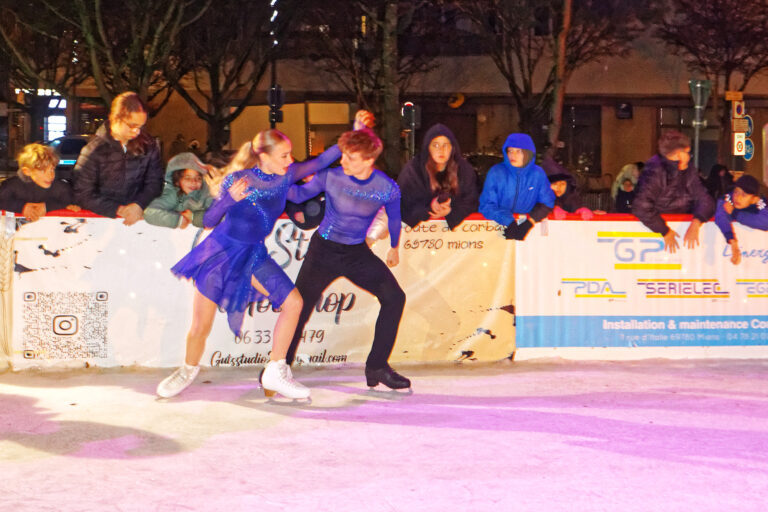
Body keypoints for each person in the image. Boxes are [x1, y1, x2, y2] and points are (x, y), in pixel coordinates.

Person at [156, 112, 372, 400]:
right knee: (200, 326)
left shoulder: (285, 178)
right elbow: (209, 220)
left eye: (290, 155)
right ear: (264, 157)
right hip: (221, 253)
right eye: (284, 155)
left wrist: (353, 133)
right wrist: (229, 200)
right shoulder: (239, 179)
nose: (290, 160)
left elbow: (320, 161)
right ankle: (187, 370)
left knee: (293, 302)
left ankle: (276, 368)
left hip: (254, 254)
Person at [283, 128, 410, 390]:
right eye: (343, 156)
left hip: (356, 253)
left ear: (368, 160)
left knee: (395, 298)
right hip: (323, 252)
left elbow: (395, 218)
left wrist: (395, 246)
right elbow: (297, 195)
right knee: (300, 307)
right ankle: (279, 365)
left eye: (350, 158)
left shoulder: (386, 187)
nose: (342, 161)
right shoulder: (330, 177)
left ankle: (377, 366)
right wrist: (278, 179)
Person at [73, 92, 164, 225]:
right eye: (132, 125)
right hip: (101, 223)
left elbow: (155, 183)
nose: (137, 131)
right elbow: (82, 193)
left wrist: (139, 204)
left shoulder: (149, 146)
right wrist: (117, 209)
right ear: (116, 119)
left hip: (139, 221)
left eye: (140, 126)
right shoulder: (93, 150)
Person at [632, 130, 714, 253]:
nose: (689, 156)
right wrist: (665, 231)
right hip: (655, 234)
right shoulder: (655, 171)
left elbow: (705, 199)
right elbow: (641, 207)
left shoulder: (688, 169)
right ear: (679, 154)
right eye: (687, 152)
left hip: (681, 229)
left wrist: (696, 222)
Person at [397, 123, 479, 230]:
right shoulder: (413, 171)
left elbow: (472, 201)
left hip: (456, 239)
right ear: (428, 148)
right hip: (419, 238)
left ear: (452, 148)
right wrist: (429, 208)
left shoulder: (464, 170)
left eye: (445, 145)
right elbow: (402, 204)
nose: (441, 150)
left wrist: (451, 211)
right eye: (435, 145)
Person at [478, 133, 554, 240]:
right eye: (510, 151)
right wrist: (509, 222)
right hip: (497, 227)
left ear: (527, 154)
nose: (513, 155)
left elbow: (547, 203)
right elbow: (487, 204)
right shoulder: (496, 172)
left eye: (518, 151)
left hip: (530, 232)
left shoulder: (537, 174)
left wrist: (529, 223)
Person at [0, 143, 80, 220]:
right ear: (27, 171)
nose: (50, 175)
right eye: (42, 170)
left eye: (52, 169)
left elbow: (74, 201)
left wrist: (48, 207)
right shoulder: (12, 186)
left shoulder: (61, 188)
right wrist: (21, 207)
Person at [144, 152, 215, 229]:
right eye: (187, 178)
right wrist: (178, 220)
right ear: (177, 181)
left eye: (198, 178)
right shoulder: (174, 194)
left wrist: (194, 217)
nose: (193, 182)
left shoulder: (207, 194)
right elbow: (150, 212)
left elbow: (222, 215)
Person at [714, 175, 768, 265]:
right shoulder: (728, 198)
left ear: (753, 199)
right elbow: (720, 216)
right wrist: (732, 240)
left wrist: (736, 213)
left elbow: (766, 222)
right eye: (736, 192)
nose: (737, 197)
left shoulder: (760, 202)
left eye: (744, 195)